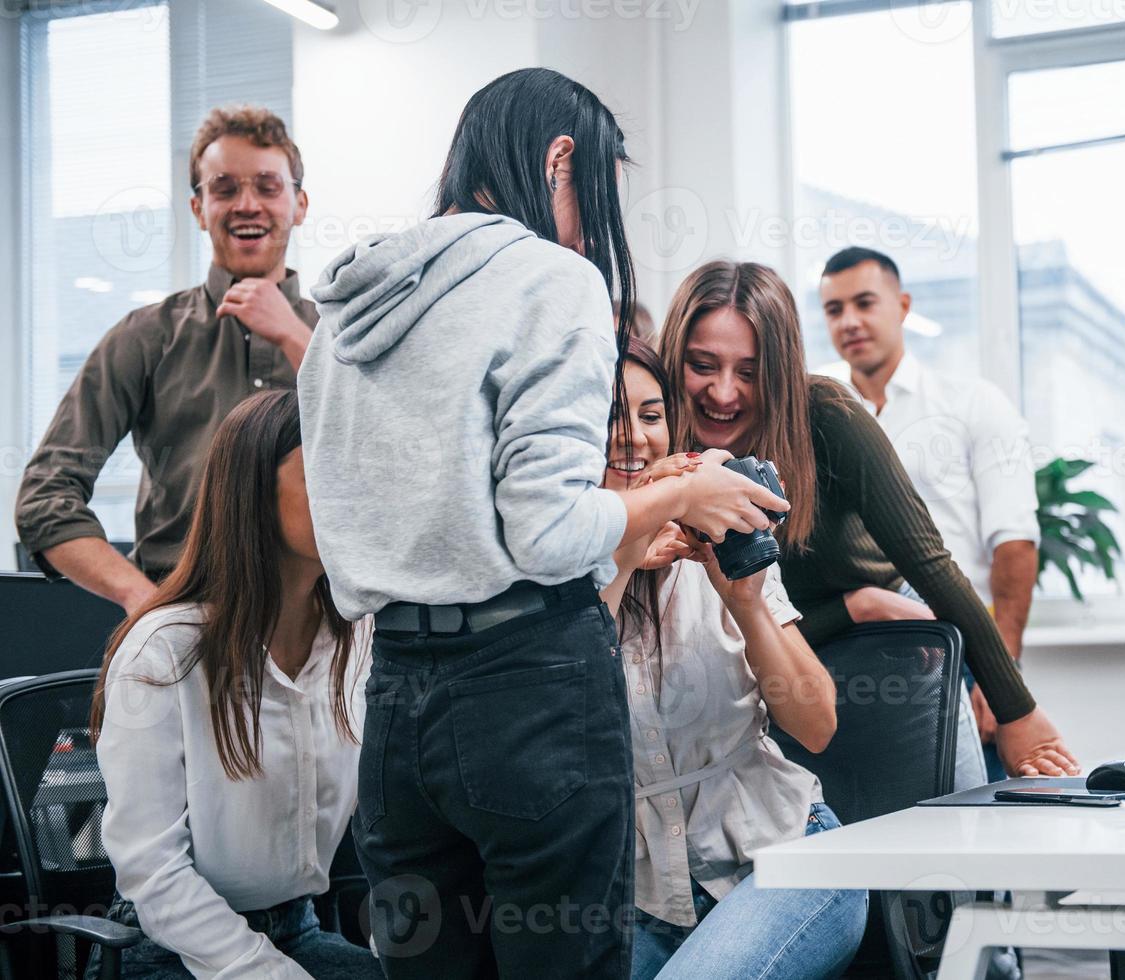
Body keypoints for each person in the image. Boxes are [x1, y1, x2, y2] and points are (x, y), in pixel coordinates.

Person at [295, 69, 790, 980]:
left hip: (395, 701)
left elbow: (348, 528)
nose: (590, 232)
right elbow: (551, 534)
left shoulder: (347, 308)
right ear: (560, 159)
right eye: (593, 200)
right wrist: (678, 496)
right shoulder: (550, 279)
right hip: (529, 692)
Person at [656, 260, 1079, 779]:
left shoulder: (827, 414)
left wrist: (1019, 711)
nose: (724, 393)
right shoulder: (653, 440)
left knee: (952, 816)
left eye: (749, 372)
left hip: (893, 640)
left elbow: (931, 563)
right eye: (703, 365)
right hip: (779, 659)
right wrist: (852, 608)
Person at [599, 338, 867, 980]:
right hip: (635, 899)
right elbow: (562, 710)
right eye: (610, 414)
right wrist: (627, 548)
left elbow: (816, 725)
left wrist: (745, 599)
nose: (633, 437)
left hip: (788, 856)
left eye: (652, 414)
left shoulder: (716, 538)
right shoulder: (551, 575)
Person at [90, 389, 380, 980]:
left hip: (298, 928)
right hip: (169, 947)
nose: (353, 494)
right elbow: (152, 871)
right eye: (326, 468)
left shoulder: (357, 637)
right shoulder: (165, 649)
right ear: (253, 491)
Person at [16, 106, 317, 610]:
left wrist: (296, 338)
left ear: (299, 203)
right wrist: (142, 599)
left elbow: (395, 467)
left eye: (267, 186)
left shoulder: (344, 337)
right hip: (182, 624)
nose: (247, 204)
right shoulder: (144, 337)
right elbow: (45, 496)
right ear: (199, 209)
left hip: (326, 634)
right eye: (224, 188)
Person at [819, 246, 1040, 785]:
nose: (849, 321)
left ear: (903, 305)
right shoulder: (818, 414)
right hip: (848, 654)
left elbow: (1014, 543)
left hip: (958, 649)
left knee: (973, 827)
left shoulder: (973, 405)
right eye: (833, 309)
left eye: (865, 303)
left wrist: (997, 673)